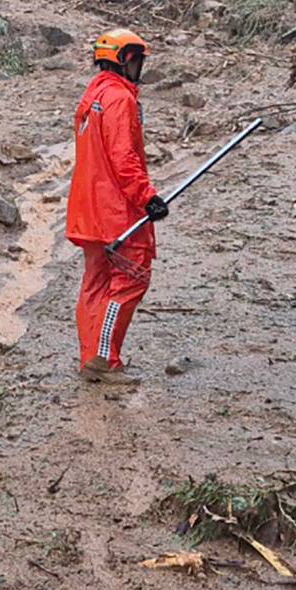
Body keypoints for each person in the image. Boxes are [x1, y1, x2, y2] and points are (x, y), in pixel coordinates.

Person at [66, 28, 169, 387]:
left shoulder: (91, 97)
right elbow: (124, 158)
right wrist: (147, 198)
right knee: (129, 281)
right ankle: (104, 359)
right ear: (125, 59)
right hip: (116, 212)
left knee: (95, 282)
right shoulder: (120, 100)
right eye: (139, 60)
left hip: (89, 212)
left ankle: (89, 356)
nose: (141, 68)